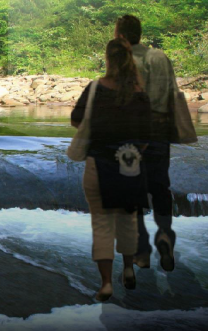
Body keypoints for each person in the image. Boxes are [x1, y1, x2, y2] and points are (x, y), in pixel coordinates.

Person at [72, 38, 152, 302]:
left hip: (98, 163)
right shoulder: (140, 92)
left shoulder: (96, 88)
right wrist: (133, 152)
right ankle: (128, 268)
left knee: (102, 224)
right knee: (128, 221)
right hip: (130, 164)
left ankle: (106, 284)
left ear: (107, 59)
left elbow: (76, 120)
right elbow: (147, 135)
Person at [114, 14, 178, 272]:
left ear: (120, 36)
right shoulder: (160, 57)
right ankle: (164, 234)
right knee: (160, 187)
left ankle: (141, 251)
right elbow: (170, 94)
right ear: (139, 33)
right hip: (159, 134)